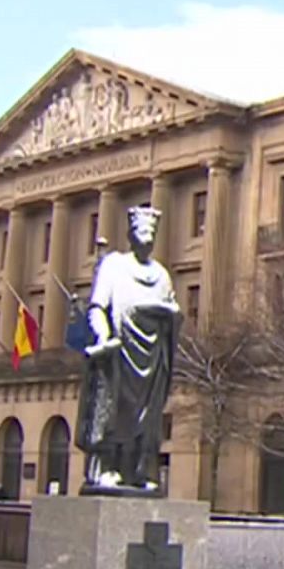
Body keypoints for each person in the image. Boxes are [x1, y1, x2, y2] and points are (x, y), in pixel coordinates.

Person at [75, 205, 181, 494]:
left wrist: (172, 315)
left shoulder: (161, 275)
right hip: (119, 352)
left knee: (147, 416)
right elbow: (97, 307)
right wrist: (103, 336)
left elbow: (173, 311)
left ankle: (138, 470)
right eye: (141, 231)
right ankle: (105, 467)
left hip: (151, 357)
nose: (147, 237)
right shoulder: (114, 265)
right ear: (130, 234)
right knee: (111, 411)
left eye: (151, 232)